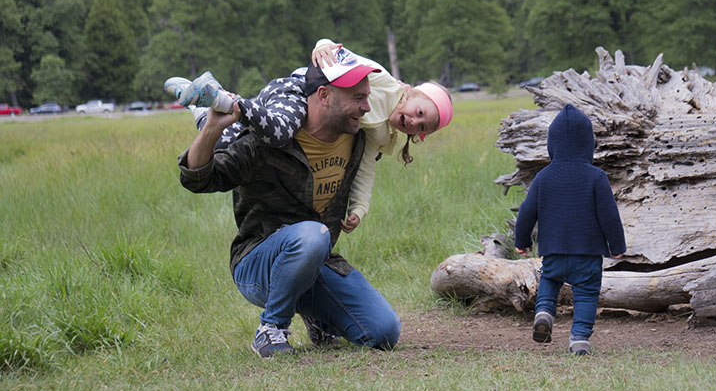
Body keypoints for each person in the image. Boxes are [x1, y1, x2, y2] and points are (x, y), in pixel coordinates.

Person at [178, 51, 401, 358]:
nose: (366, 106)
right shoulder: (270, 138)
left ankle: (318, 316)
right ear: (323, 95)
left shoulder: (358, 138)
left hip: (317, 259)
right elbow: (200, 179)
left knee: (384, 332)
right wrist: (212, 129)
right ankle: (271, 330)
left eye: (367, 97)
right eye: (358, 98)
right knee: (312, 235)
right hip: (258, 261)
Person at [166, 39, 453, 233]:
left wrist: (360, 208)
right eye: (419, 111)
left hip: (305, 102)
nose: (414, 121)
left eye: (422, 126)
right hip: (301, 87)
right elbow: (342, 54)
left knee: (226, 141)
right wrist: (323, 45)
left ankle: (202, 106)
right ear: (413, 92)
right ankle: (228, 101)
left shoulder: (380, 137)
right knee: (281, 130)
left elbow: (365, 170)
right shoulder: (384, 81)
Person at [514, 104, 626, 356]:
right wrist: (617, 246)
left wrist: (522, 240)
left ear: (551, 144)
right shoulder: (596, 177)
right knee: (586, 294)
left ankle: (544, 312)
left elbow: (527, 210)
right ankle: (579, 339)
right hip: (587, 254)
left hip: (554, 250)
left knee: (550, 281)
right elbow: (609, 215)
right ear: (589, 145)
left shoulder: (543, 176)